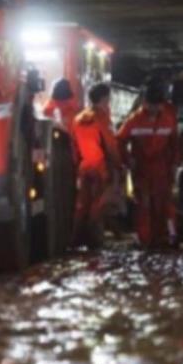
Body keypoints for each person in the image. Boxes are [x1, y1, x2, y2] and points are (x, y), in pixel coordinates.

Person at [118, 78, 180, 249]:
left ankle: (168, 237)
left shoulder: (167, 119)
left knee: (164, 205)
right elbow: (120, 141)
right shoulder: (134, 120)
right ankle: (146, 239)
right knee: (144, 206)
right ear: (145, 103)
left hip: (162, 170)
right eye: (152, 105)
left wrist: (174, 164)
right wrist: (127, 159)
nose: (155, 108)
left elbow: (175, 145)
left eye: (157, 105)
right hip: (142, 170)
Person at [71, 84, 122, 248]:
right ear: (104, 99)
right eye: (108, 99)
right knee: (98, 203)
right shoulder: (102, 118)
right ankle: (94, 240)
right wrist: (118, 166)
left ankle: (75, 239)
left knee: (81, 204)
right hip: (100, 167)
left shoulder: (78, 119)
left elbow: (74, 146)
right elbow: (111, 145)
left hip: (84, 166)